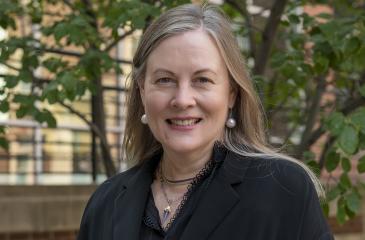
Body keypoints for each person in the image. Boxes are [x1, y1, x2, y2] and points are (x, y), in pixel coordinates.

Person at [77, 3, 334, 240]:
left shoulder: (284, 190)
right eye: (164, 80)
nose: (182, 99)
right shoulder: (105, 204)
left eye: (202, 80)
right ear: (143, 92)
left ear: (231, 93)